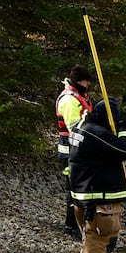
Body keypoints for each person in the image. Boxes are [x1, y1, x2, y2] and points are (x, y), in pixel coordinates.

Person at [68, 99, 126, 253]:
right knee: (98, 239)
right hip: (97, 198)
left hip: (83, 194)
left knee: (93, 238)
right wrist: (123, 128)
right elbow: (124, 150)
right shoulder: (96, 133)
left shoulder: (81, 126)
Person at [55, 65, 95, 240]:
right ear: (80, 81)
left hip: (77, 149)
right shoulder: (70, 100)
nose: (88, 85)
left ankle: (75, 223)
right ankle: (71, 225)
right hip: (71, 151)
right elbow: (74, 128)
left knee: (78, 188)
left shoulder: (78, 96)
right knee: (74, 189)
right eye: (87, 82)